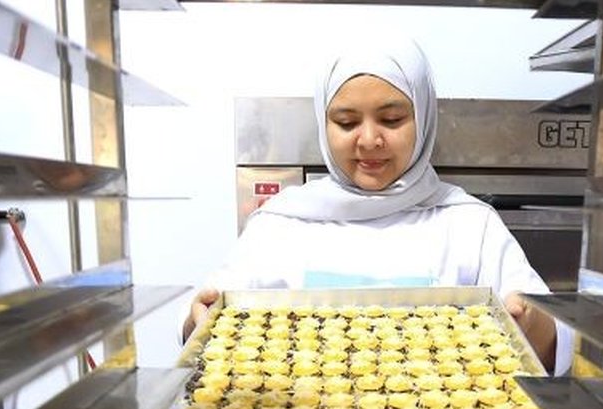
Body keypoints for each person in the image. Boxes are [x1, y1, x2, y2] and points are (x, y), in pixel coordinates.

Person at [182, 36, 572, 376]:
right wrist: (198, 321)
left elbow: (552, 348)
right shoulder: (279, 225)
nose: (369, 140)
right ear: (324, 123)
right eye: (347, 122)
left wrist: (530, 320)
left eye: (391, 118)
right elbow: (205, 333)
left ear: (423, 116)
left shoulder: (470, 225)